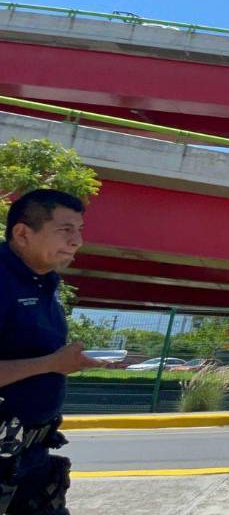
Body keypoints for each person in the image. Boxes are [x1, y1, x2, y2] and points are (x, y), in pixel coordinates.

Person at [0, 189, 104, 515]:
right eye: (65, 230)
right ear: (22, 233)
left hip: (31, 457)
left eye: (79, 230)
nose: (77, 241)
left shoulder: (47, 282)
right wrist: (53, 364)